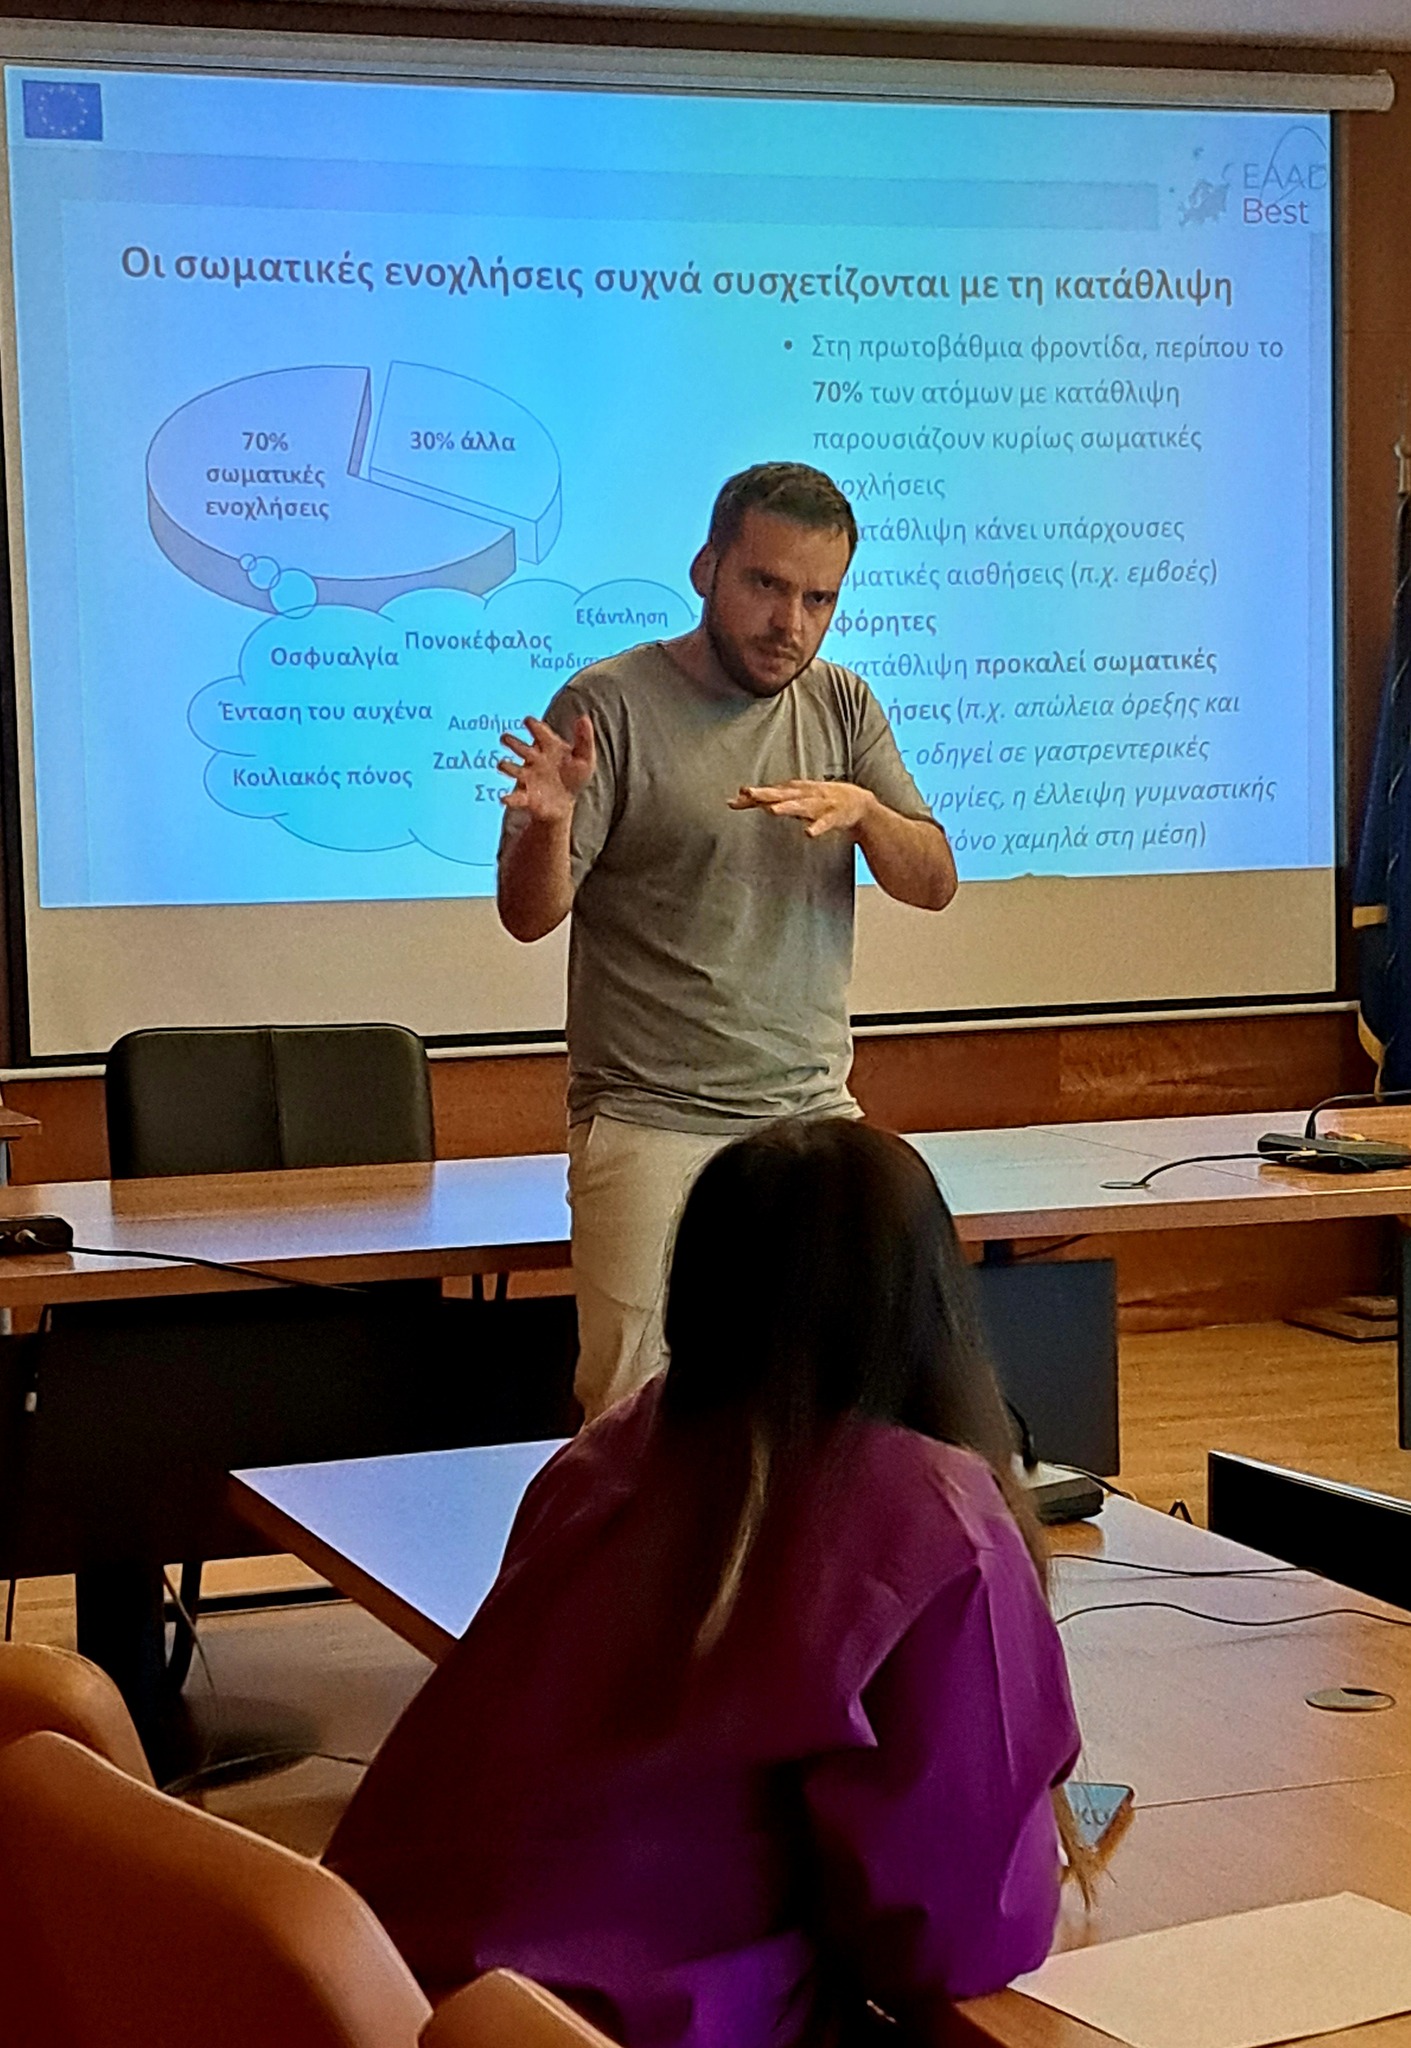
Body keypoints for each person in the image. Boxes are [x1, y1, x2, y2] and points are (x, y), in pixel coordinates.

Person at [326, 1120, 1083, 2048]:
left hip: (385, 1991)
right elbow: (955, 1938)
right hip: (598, 2024)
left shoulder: (607, 1456)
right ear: (932, 1305)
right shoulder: (936, 1519)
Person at [496, 463, 957, 1419]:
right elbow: (529, 915)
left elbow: (933, 881)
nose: (791, 622)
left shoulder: (842, 706)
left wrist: (867, 814)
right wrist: (549, 824)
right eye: (766, 585)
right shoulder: (608, 703)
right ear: (706, 569)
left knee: (844, 1408)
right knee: (635, 1417)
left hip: (810, 1113)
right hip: (650, 1117)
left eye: (818, 598)